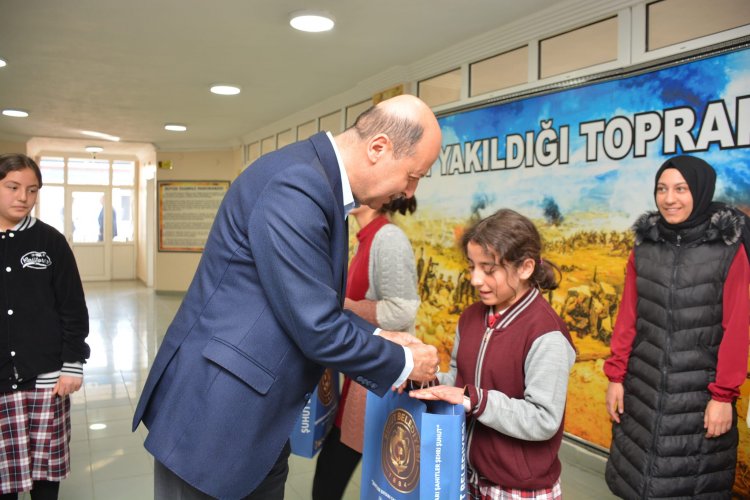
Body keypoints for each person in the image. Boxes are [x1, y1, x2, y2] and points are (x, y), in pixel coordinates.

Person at [132, 94, 442, 500]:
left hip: (255, 420)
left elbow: (309, 302)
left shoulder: (316, 182)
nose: (409, 190)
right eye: (413, 175)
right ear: (378, 147)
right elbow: (317, 327)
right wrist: (404, 362)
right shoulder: (298, 184)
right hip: (216, 418)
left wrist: (382, 336)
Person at [603, 155, 750, 499]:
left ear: (700, 191)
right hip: (642, 390)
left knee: (688, 485)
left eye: (681, 189)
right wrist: (615, 377)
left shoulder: (728, 250)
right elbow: (628, 317)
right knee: (636, 482)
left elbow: (737, 329)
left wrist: (723, 396)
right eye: (662, 189)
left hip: (698, 399)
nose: (669, 199)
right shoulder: (644, 246)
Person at [410, 208, 576, 500]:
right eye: (472, 266)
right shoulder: (470, 317)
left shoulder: (546, 333)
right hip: (465, 473)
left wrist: (475, 400)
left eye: (488, 270)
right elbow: (459, 381)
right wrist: (421, 378)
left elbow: (543, 419)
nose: (475, 279)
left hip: (516, 488)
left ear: (525, 268)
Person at [312, 196, 420, 499]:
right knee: (329, 477)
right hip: (360, 376)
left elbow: (402, 310)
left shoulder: (388, 238)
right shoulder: (364, 238)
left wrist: (342, 307)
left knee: (330, 478)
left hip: (375, 382)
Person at [0, 154, 90, 500]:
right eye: (13, 187)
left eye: (32, 190)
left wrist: (72, 364)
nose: (23, 197)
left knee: (45, 479)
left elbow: (72, 307)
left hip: (47, 379)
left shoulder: (51, 242)